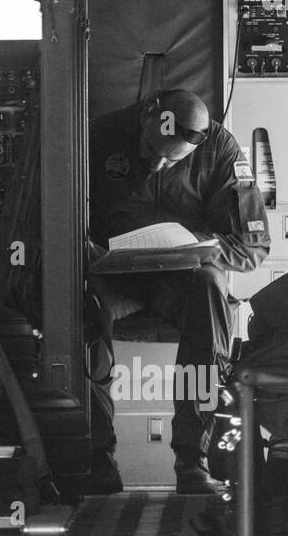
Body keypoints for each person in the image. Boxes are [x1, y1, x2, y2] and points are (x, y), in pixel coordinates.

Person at [85, 89, 269, 494]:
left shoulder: (220, 149)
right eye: (151, 149)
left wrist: (203, 247)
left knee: (209, 289)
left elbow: (252, 246)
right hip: (114, 277)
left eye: (172, 159)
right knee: (82, 305)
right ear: (148, 113)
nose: (156, 164)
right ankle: (96, 456)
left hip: (180, 279)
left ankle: (192, 458)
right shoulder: (97, 136)